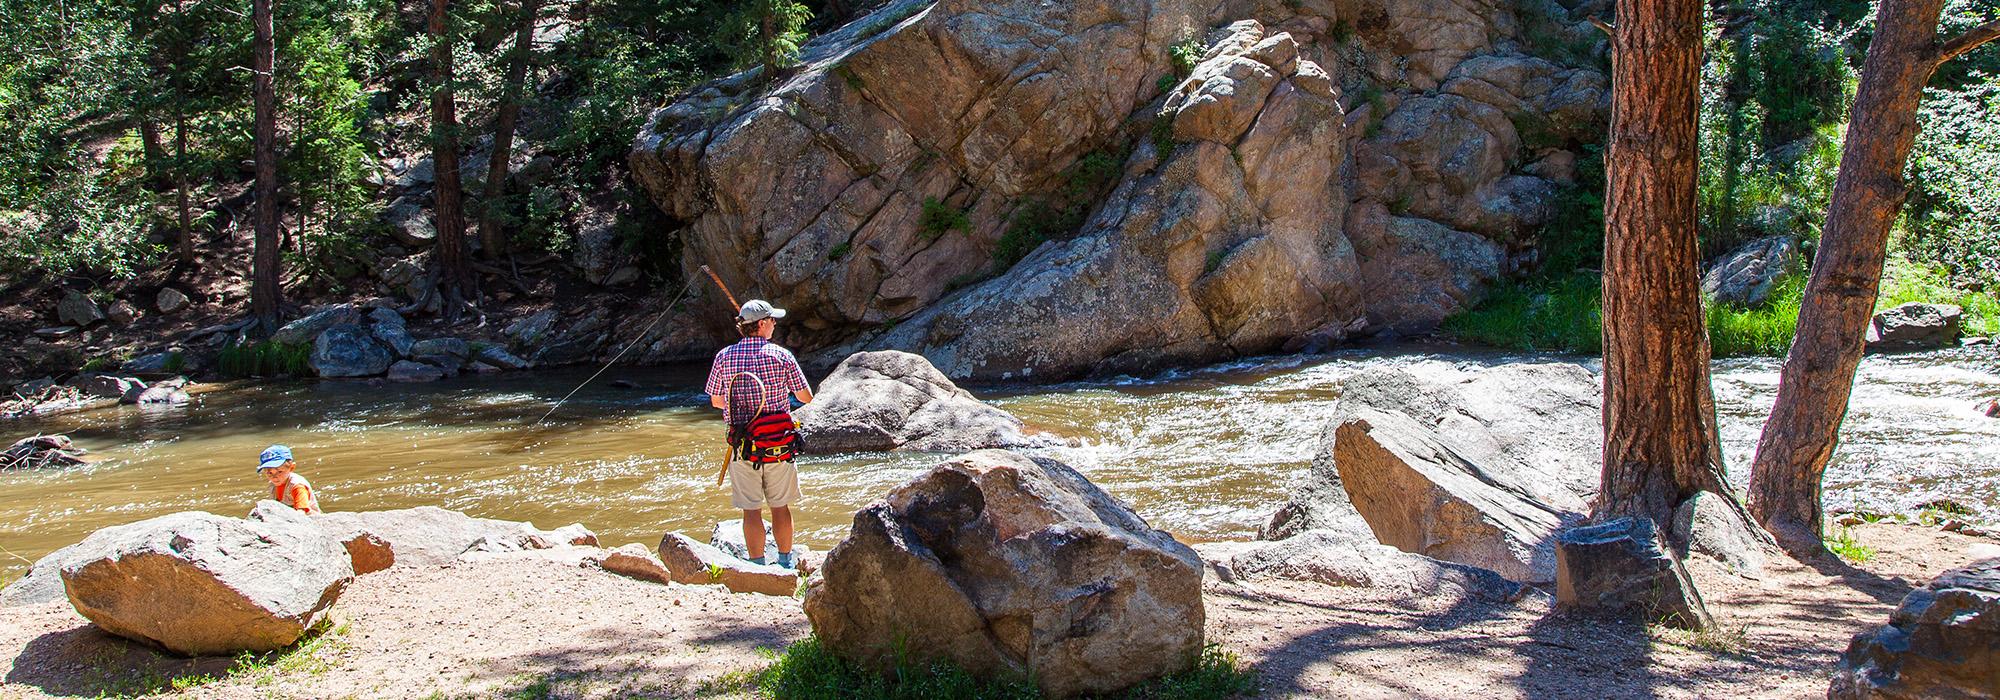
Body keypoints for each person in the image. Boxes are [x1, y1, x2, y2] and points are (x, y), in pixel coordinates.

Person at [704, 299, 814, 568]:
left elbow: (717, 401)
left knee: (751, 510)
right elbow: (806, 397)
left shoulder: (724, 356)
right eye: (773, 320)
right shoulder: (782, 356)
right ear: (762, 324)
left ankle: (756, 566)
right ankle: (786, 563)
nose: (775, 324)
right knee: (780, 506)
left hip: (743, 447)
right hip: (779, 445)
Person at [257, 444, 321, 515]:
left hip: (310, 519)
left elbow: (302, 512)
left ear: (292, 467)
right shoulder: (273, 485)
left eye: (280, 472)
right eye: (269, 473)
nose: (274, 477)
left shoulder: (297, 486)